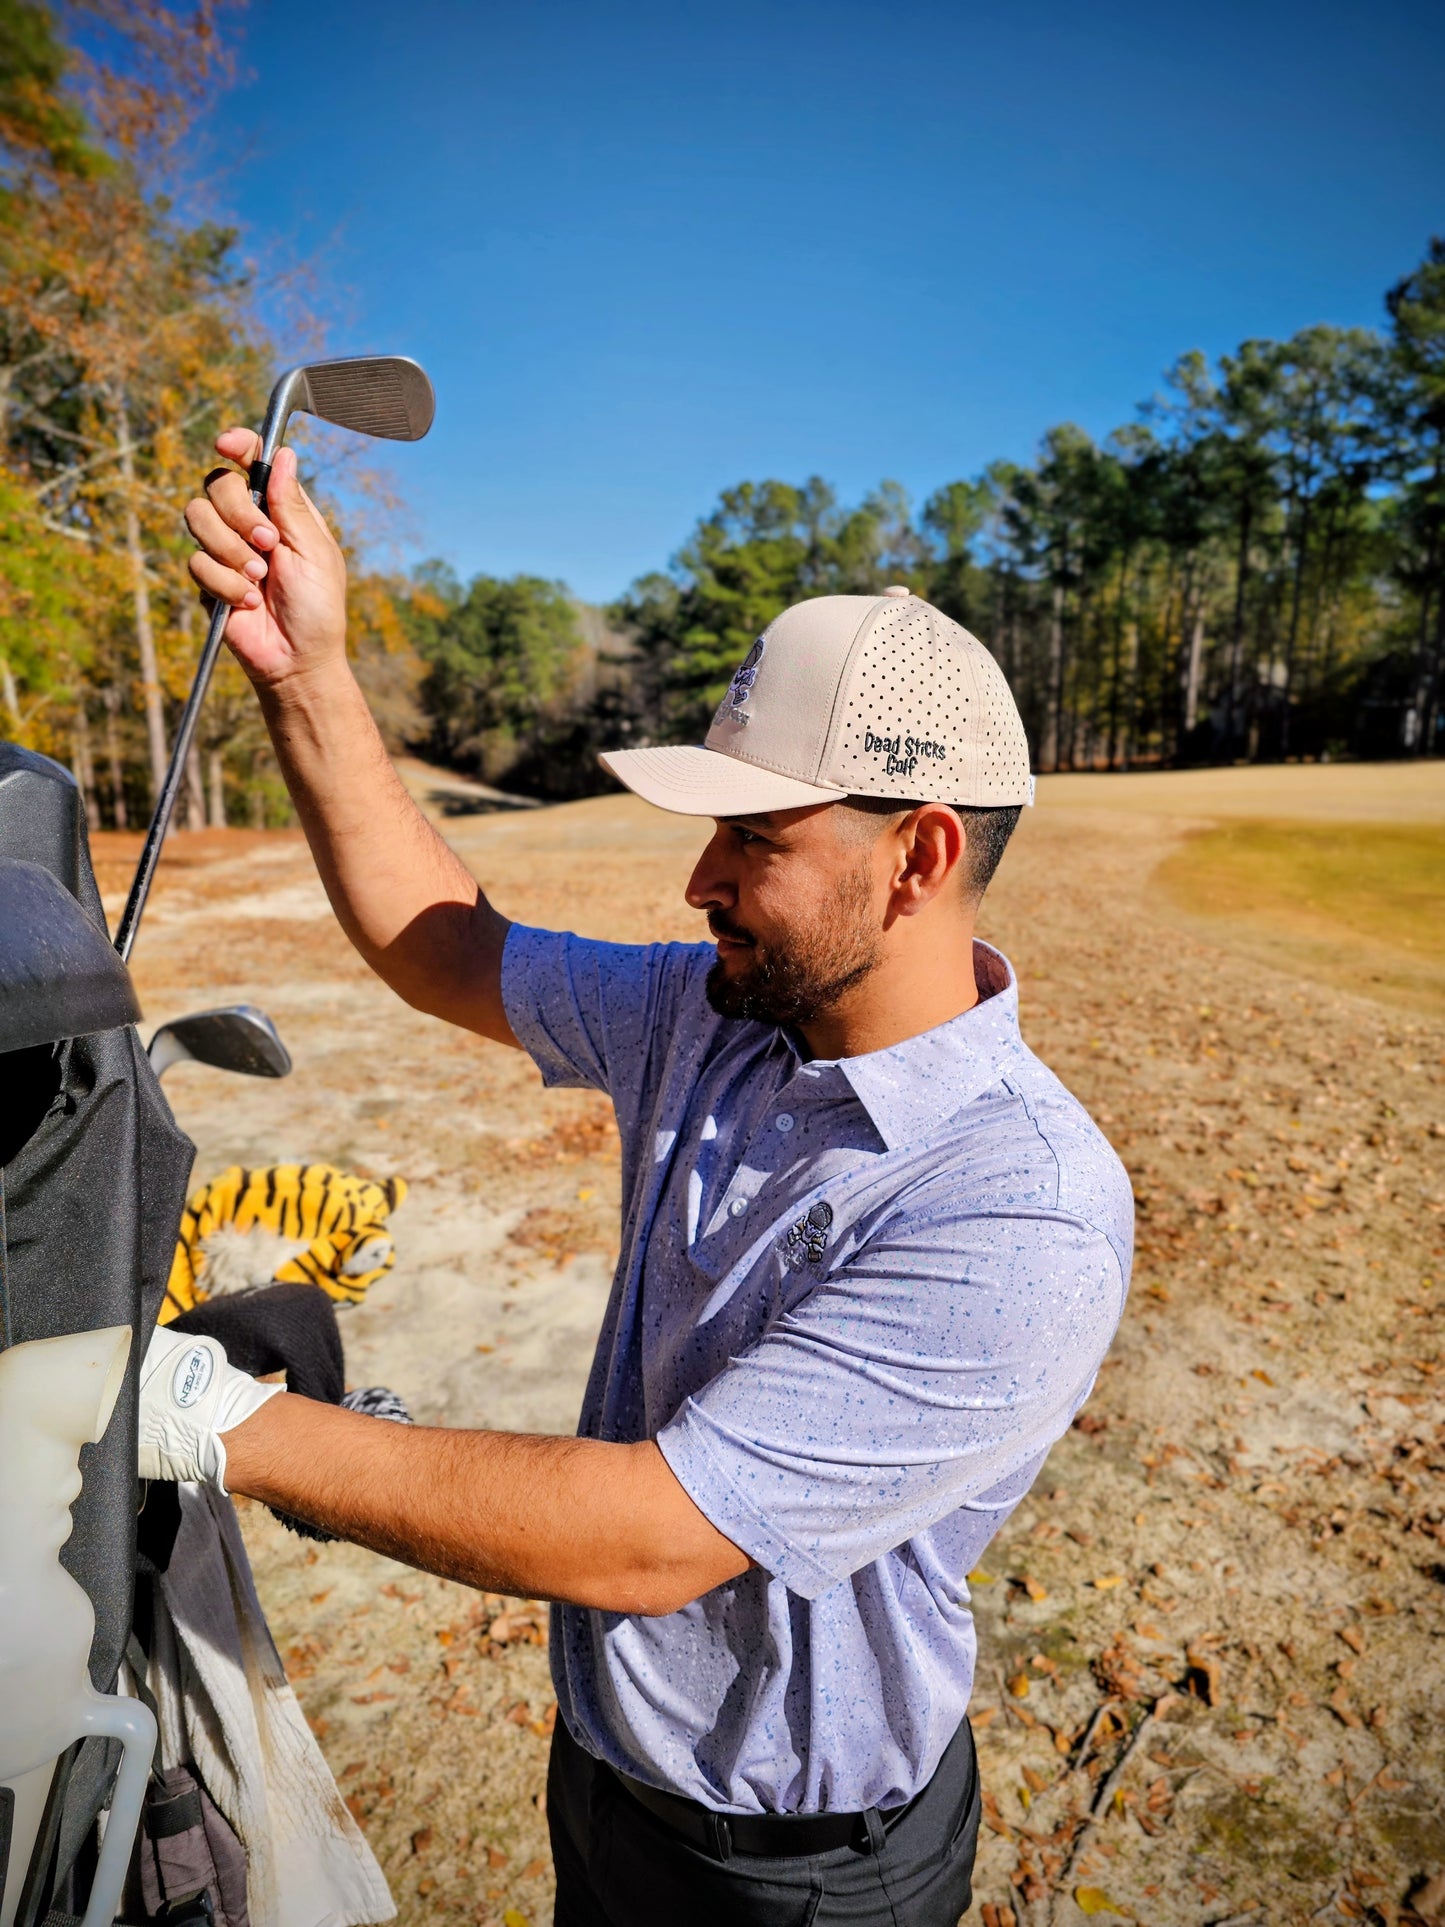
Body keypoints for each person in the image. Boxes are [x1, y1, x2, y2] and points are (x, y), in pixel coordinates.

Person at [144, 430, 1134, 1927]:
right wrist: (305, 675)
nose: (699, 881)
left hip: (798, 1872)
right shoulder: (721, 1016)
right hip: (610, 1768)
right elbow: (446, 947)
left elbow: (647, 1536)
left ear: (918, 853)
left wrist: (212, 1417)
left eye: (753, 834)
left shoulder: (1019, 1205)